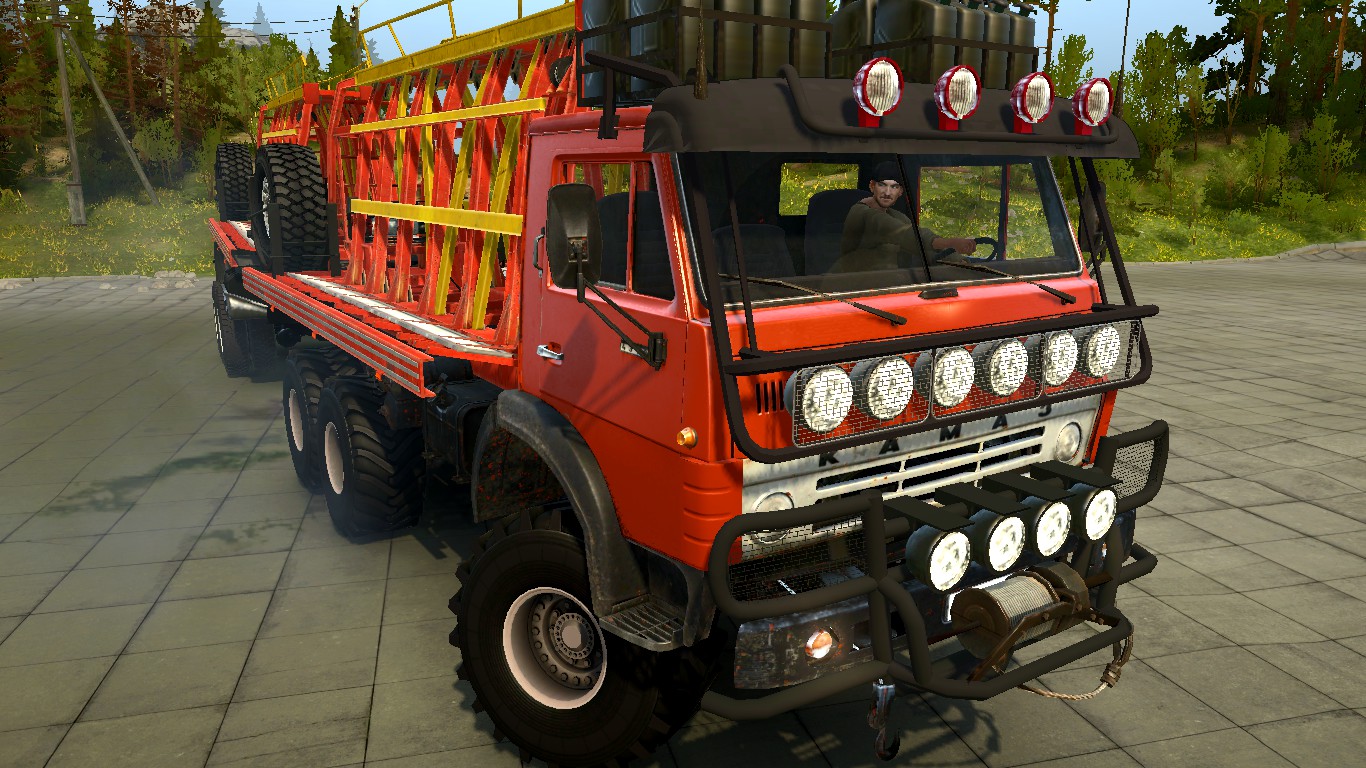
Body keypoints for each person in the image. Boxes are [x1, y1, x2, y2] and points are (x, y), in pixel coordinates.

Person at [829, 161, 978, 273]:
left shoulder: (896, 216)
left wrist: (960, 261)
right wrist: (948, 242)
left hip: (891, 284)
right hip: (854, 286)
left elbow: (920, 246)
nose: (888, 192)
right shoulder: (861, 212)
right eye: (882, 185)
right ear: (872, 186)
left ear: (900, 191)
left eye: (894, 187)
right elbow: (900, 233)